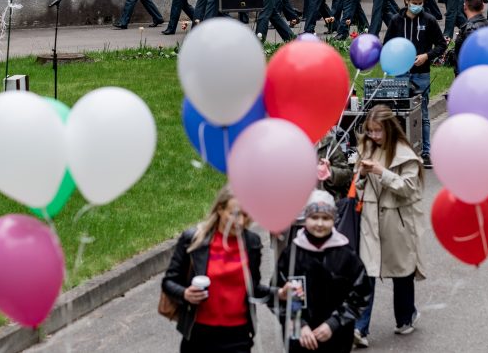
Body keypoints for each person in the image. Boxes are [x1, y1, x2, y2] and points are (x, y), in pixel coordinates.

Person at [162, 187, 271, 353]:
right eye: (234, 214)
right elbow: (169, 282)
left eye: (244, 214)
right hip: (199, 336)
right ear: (220, 209)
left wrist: (279, 294)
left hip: (238, 337)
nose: (240, 221)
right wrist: (185, 294)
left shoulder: (251, 243)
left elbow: (252, 288)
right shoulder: (194, 240)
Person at [354, 105, 425, 348]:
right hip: (370, 221)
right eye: (370, 131)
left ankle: (405, 317)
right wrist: (362, 176)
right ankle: (360, 328)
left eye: (378, 131)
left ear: (390, 129)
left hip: (397, 222)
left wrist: (382, 172)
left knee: (402, 272)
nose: (373, 136)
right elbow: (358, 188)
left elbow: (409, 188)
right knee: (368, 272)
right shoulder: (365, 149)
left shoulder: (406, 154)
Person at [275, 190, 371, 353]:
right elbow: (280, 295)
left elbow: (361, 293)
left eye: (325, 218)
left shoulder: (346, 255)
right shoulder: (291, 254)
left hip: (337, 335)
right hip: (301, 337)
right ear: (305, 219)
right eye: (314, 217)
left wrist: (334, 322)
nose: (319, 223)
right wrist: (300, 325)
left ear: (334, 220)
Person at [383, 0, 447, 168]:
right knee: (398, 112)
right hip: (401, 73)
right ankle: (399, 150)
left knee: (423, 113)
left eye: (420, 4)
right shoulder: (396, 21)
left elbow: (441, 45)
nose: (417, 7)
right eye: (414, 4)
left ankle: (426, 152)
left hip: (421, 73)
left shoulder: (429, 20)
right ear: (406, 1)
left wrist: (427, 55)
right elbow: (388, 45)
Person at [453, 0, 488, 75]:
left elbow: (471, 56)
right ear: (483, 6)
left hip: (469, 75)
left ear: (465, 6)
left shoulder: (469, 29)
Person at [316, 129, 354, 202]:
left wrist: (329, 171)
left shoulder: (329, 143)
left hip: (326, 202)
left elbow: (347, 175)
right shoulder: (293, 143)